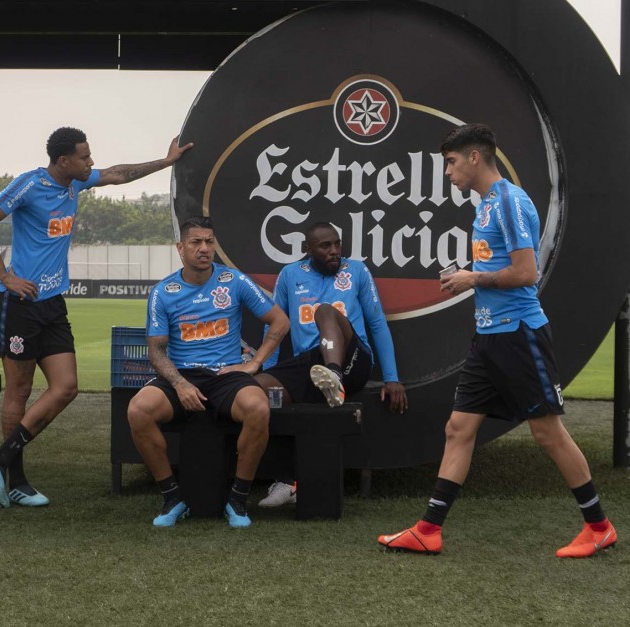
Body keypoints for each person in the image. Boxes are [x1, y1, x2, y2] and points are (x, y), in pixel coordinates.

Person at [378, 123, 617, 557]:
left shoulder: (508, 201)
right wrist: (467, 276)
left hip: (518, 335)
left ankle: (599, 526)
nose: (447, 172)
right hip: (488, 338)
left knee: (548, 434)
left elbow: (527, 274)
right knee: (458, 428)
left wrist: (472, 277)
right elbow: (499, 267)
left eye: (451, 162)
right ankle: (429, 530)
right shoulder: (486, 206)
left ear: (474, 157)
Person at [0, 127, 193, 509]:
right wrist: (5, 276)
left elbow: (117, 174)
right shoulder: (29, 184)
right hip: (18, 303)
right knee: (19, 391)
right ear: (62, 161)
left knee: (66, 387)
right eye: (84, 157)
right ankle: (16, 481)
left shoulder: (77, 182)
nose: (91, 163)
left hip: (53, 303)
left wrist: (166, 161)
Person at [127, 216, 290, 528]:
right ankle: (173, 498)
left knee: (258, 408)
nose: (204, 248)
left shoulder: (235, 281)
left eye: (209, 242)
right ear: (181, 248)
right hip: (182, 376)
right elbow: (156, 352)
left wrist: (254, 364)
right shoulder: (164, 292)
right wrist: (179, 384)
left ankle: (238, 500)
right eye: (196, 242)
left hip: (226, 376)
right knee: (138, 410)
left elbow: (280, 321)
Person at [253, 222, 408, 507]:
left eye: (337, 244)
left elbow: (376, 323)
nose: (334, 251)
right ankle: (286, 481)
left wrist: (392, 377)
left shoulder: (357, 270)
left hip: (352, 362)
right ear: (308, 250)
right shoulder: (290, 275)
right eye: (325, 246)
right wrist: (265, 368)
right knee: (259, 392)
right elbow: (273, 328)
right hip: (310, 366)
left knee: (326, 311)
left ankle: (333, 377)